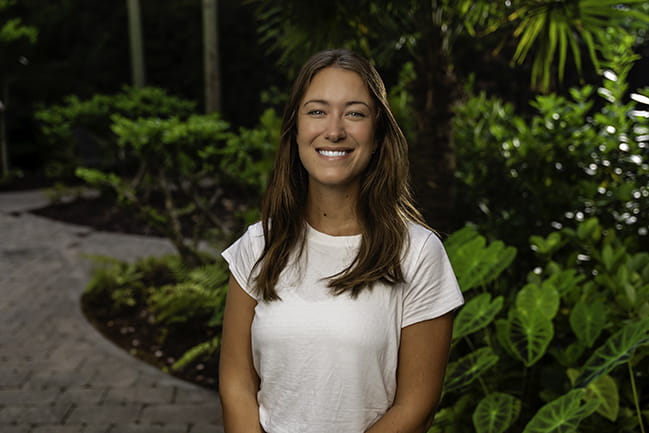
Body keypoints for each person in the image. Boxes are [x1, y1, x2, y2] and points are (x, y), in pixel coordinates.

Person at [219, 48, 464, 433]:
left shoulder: (418, 254)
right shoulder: (257, 246)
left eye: (354, 113)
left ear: (379, 134)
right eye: (317, 111)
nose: (334, 130)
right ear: (295, 129)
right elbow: (236, 385)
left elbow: (415, 408)